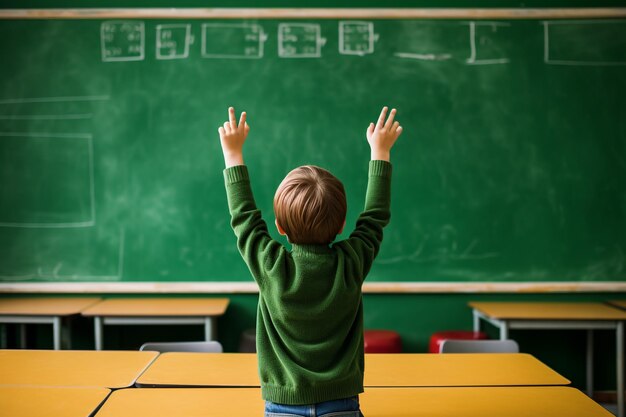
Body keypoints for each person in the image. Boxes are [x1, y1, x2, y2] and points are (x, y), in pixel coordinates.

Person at [218, 106, 402, 416]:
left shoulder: (271, 265)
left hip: (282, 406)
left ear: (279, 227)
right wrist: (379, 151)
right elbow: (375, 218)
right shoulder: (350, 262)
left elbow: (244, 219)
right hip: (341, 404)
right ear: (342, 225)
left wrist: (233, 153)